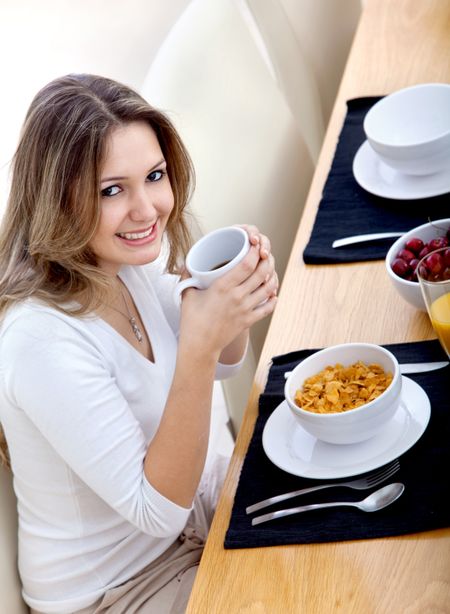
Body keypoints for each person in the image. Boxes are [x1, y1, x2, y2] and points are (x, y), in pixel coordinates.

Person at [0, 74, 278, 614]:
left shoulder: (119, 263)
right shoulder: (38, 340)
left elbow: (224, 361)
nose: (147, 209)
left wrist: (232, 296)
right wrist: (199, 346)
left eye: (154, 176)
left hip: (192, 529)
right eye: (112, 190)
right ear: (57, 200)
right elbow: (156, 510)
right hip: (121, 592)